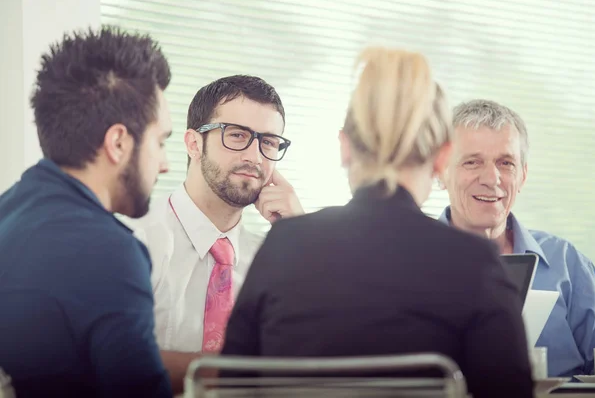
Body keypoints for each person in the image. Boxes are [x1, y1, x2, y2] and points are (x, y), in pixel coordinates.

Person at [221, 48, 534, 398]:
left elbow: (231, 383)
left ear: (344, 147)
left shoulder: (282, 244)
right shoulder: (474, 262)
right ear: (442, 158)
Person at [0, 27, 173, 397]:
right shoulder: (109, 252)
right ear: (118, 143)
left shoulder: (8, 211)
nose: (164, 164)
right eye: (160, 142)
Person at [133, 75, 304, 392]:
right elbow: (115, 365)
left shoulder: (277, 259)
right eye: (237, 135)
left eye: (268, 142)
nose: (254, 157)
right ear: (193, 144)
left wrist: (300, 238)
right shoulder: (135, 243)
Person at [439, 99, 595, 377]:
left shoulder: (569, 266)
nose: (492, 178)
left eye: (506, 163)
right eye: (472, 162)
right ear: (441, 172)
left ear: (523, 176)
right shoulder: (407, 264)